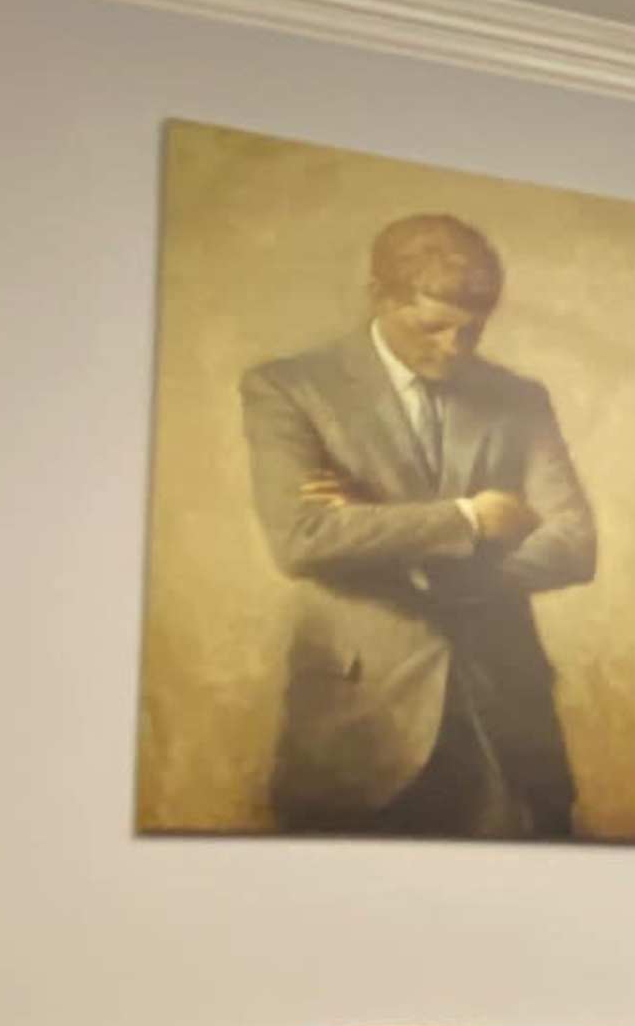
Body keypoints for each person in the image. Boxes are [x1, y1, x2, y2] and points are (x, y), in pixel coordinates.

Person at [241, 213, 598, 836]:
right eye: (433, 327)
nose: (454, 348)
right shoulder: (290, 388)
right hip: (359, 726)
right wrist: (470, 518)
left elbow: (574, 543)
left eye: (472, 330)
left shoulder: (519, 398)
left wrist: (384, 533)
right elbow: (301, 539)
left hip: (505, 723)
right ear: (380, 298)